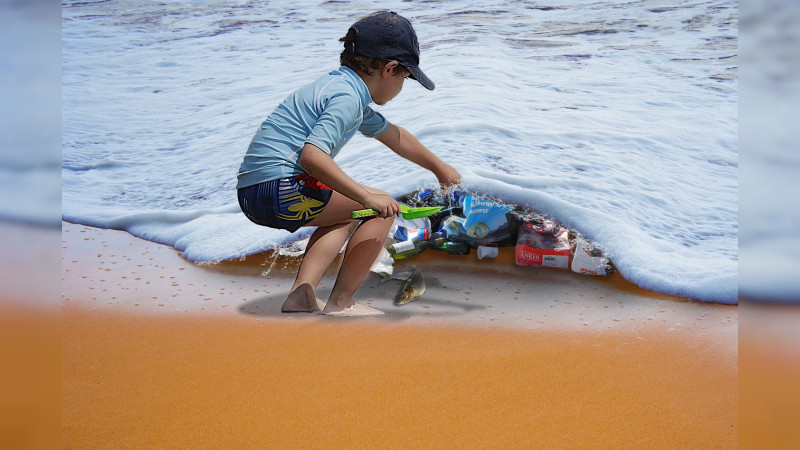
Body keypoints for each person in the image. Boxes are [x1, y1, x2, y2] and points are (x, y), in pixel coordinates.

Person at [237, 11, 461, 316]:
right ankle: (341, 302)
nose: (402, 87)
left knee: (344, 214)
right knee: (382, 208)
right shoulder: (347, 99)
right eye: (406, 78)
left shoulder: (338, 88)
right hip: (282, 188)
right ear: (390, 68)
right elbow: (312, 156)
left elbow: (394, 136)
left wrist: (439, 168)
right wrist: (366, 196)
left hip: (254, 193)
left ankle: (301, 295)